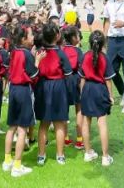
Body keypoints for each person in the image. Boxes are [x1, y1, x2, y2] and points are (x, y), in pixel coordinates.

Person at [2, 24, 40, 178]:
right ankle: (17, 165)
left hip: (13, 90)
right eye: (30, 35)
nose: (33, 38)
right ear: (24, 39)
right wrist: (37, 61)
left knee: (12, 126)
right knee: (23, 128)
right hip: (23, 90)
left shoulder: (14, 52)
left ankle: (7, 160)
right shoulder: (27, 54)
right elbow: (34, 76)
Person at [35, 23, 72, 166]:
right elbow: (68, 74)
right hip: (58, 88)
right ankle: (60, 155)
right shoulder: (61, 53)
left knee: (44, 123)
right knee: (59, 123)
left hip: (43, 87)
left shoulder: (39, 52)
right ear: (57, 36)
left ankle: (41, 155)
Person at [79, 30, 115, 166]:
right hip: (100, 91)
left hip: (87, 89)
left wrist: (82, 93)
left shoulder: (84, 56)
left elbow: (82, 78)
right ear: (103, 44)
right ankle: (105, 157)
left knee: (86, 123)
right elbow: (108, 81)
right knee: (102, 124)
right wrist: (111, 96)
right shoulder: (105, 58)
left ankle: (88, 153)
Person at [61, 26, 85, 147]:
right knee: (79, 109)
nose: (79, 37)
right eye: (77, 35)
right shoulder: (78, 51)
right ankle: (80, 139)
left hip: (64, 81)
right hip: (76, 80)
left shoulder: (61, 50)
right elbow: (82, 69)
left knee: (64, 110)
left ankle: (65, 137)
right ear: (73, 38)